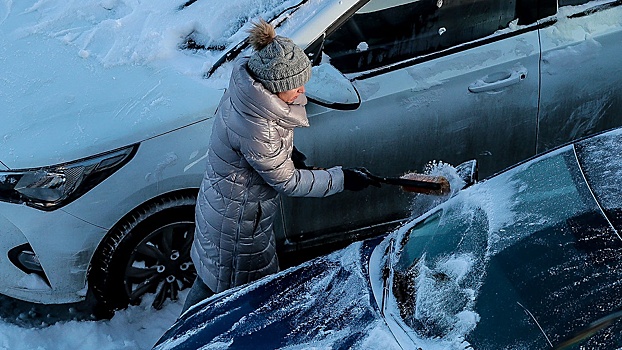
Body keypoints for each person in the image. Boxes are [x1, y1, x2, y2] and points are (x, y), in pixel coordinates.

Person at [182, 19, 379, 313]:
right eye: (297, 86)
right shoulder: (257, 123)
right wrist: (341, 178)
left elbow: (256, 151)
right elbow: (287, 182)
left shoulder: (249, 95)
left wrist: (288, 153)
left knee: (212, 288)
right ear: (277, 87)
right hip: (238, 229)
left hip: (226, 211)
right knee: (228, 303)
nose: (302, 91)